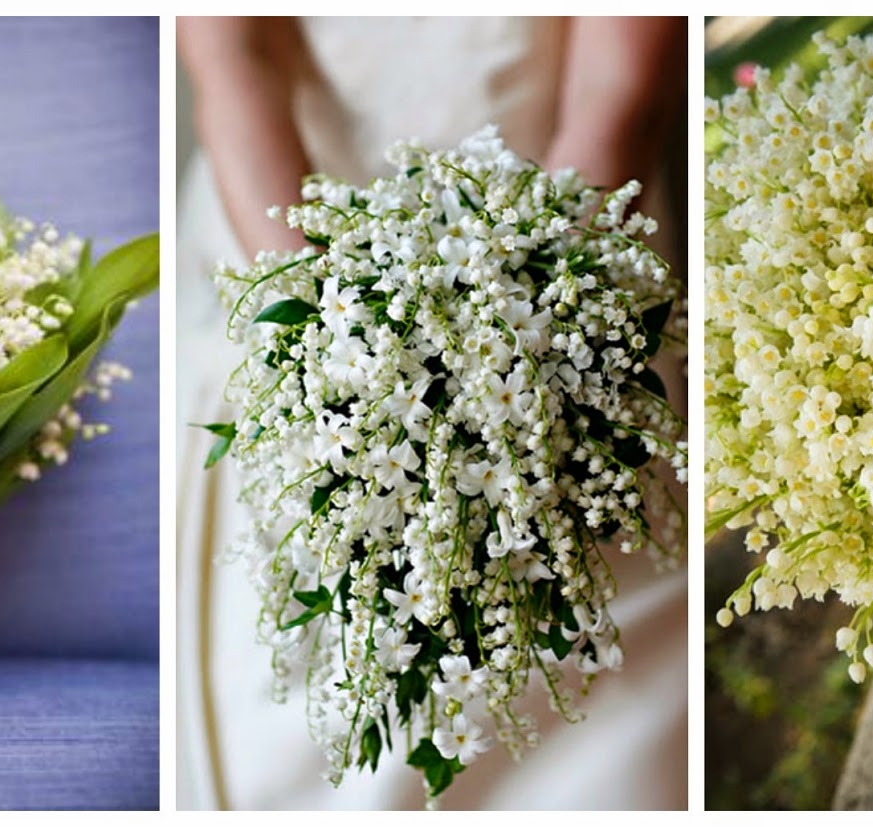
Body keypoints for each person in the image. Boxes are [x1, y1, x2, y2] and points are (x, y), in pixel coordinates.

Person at [176, 16, 687, 809]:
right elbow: (234, 62)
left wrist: (543, 312)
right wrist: (327, 332)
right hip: (289, 240)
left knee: (612, 744)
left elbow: (615, 92)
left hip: (565, 253)